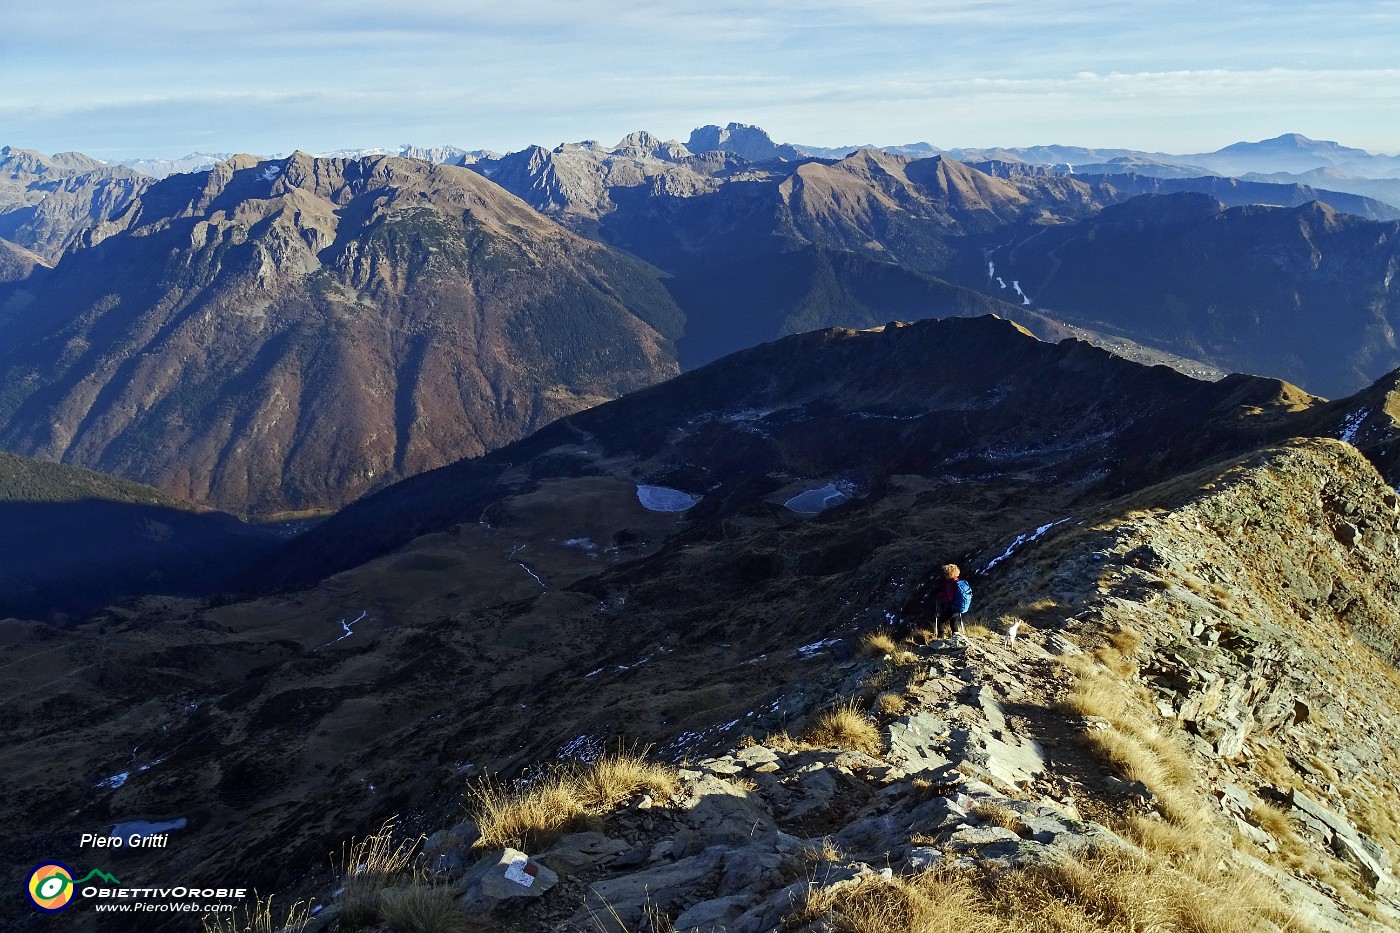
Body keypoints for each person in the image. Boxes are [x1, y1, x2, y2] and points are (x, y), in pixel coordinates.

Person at [934, 563, 969, 639]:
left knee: (941, 622)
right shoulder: (958, 582)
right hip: (957, 607)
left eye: (946, 573)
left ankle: (940, 639)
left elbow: (948, 598)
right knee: (954, 623)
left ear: (949, 574)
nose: (944, 575)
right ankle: (956, 638)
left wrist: (939, 596)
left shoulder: (951, 584)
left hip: (951, 608)